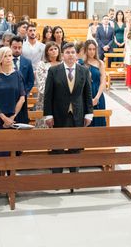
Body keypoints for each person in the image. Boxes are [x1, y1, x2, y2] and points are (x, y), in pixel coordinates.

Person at [43, 42, 94, 173]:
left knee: (75, 147)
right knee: (58, 146)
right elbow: (48, 95)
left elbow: (87, 94)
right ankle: (57, 176)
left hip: (77, 114)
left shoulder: (84, 70)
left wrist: (89, 114)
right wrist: (48, 114)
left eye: (72, 52)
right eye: (67, 52)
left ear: (76, 55)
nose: (70, 55)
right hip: (59, 114)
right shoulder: (54, 71)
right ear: (62, 55)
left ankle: (74, 177)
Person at [0, 46, 26, 131]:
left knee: (15, 143)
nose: (8, 58)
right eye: (5, 56)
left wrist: (12, 117)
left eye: (10, 56)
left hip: (15, 116)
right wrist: (4, 118)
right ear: (0, 59)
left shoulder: (18, 75)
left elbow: (22, 98)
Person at [79, 40, 107, 127]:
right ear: (86, 50)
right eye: (89, 49)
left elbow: (103, 82)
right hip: (84, 94)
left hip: (97, 94)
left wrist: (97, 98)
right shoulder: (81, 63)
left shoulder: (100, 63)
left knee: (99, 120)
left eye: (94, 49)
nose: (92, 52)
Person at [34, 42, 61, 127]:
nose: (54, 51)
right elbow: (41, 85)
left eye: (55, 49)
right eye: (51, 49)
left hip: (61, 100)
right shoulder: (42, 65)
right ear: (47, 52)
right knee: (44, 127)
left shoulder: (63, 64)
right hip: (45, 100)